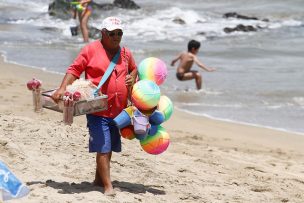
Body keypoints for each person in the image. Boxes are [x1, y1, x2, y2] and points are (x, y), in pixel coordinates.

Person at [51, 16, 137, 195]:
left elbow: (134, 69)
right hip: (97, 109)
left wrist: (133, 76)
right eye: (112, 33)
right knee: (103, 147)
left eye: (119, 33)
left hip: (119, 111)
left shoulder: (126, 53)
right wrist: (61, 88)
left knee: (111, 146)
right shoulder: (90, 50)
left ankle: (99, 180)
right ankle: (108, 186)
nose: (116, 37)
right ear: (103, 33)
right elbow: (74, 70)